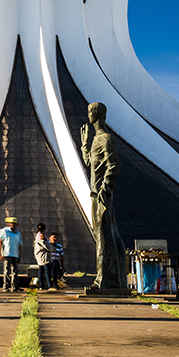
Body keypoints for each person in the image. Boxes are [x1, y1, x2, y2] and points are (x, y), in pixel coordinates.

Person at [80, 102, 127, 289]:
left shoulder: (106, 139)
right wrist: (84, 144)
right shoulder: (95, 140)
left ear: (97, 114)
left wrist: (105, 189)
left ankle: (105, 280)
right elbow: (90, 162)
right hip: (95, 194)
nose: (88, 116)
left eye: (90, 112)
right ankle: (109, 278)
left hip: (101, 195)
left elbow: (114, 164)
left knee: (105, 235)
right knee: (100, 235)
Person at [0, 216, 23, 292]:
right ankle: (6, 287)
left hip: (15, 254)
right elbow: (0, 242)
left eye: (14, 224)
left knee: (15, 271)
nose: (12, 225)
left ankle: (14, 286)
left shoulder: (18, 234)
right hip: (7, 253)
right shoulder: (4, 231)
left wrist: (19, 256)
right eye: (11, 223)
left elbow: (19, 245)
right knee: (7, 271)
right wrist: (0, 253)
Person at [33, 223, 54, 290]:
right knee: (47, 271)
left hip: (39, 256)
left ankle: (41, 285)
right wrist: (53, 249)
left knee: (41, 270)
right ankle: (50, 286)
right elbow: (46, 245)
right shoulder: (42, 237)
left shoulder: (37, 236)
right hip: (44, 256)